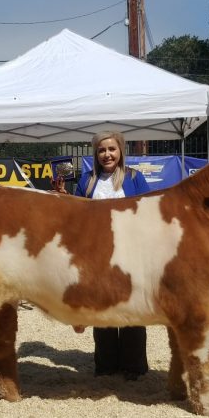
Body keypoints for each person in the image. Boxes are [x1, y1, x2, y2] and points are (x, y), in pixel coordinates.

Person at [63, 131, 151, 380]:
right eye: (102, 150)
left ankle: (133, 366)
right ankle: (106, 364)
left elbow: (147, 214)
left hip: (130, 254)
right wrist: (65, 199)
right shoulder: (87, 181)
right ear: (96, 154)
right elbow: (78, 216)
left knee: (132, 309)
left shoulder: (135, 178)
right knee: (101, 308)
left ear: (121, 150)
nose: (107, 154)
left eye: (111, 149)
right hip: (97, 255)